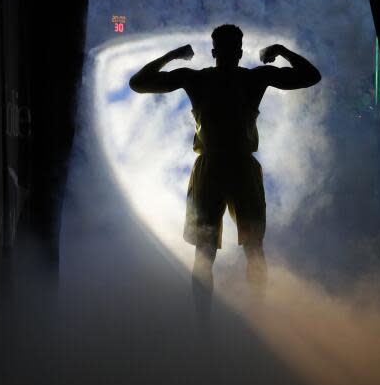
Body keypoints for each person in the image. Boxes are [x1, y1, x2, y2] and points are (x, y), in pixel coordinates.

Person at [129, 24, 321, 317]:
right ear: (240, 52)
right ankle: (250, 317)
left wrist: (173, 55)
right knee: (250, 248)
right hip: (236, 166)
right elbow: (311, 76)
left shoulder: (198, 78)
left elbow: (139, 83)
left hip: (214, 168)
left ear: (214, 51)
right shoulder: (254, 77)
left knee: (207, 252)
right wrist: (280, 51)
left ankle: (207, 325)